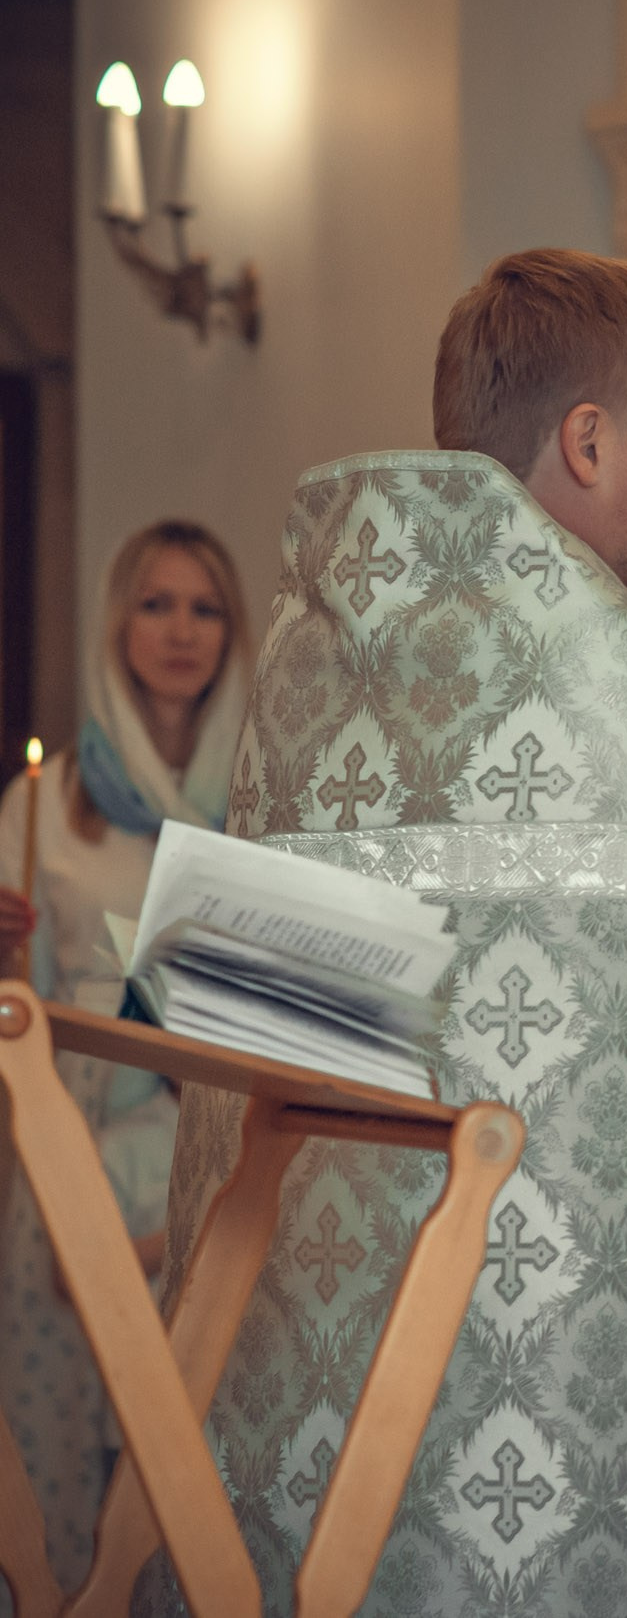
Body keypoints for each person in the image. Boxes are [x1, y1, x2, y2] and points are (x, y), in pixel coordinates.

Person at [143, 249, 627, 1617]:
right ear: (589, 440)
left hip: (319, 1346)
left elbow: (306, 1003)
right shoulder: (601, 665)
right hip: (537, 1363)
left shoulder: (330, 639)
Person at [0, 520, 252, 1593]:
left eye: (204, 607)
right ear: (118, 623)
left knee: (184, 1416)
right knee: (60, 1415)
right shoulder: (47, 805)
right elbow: (23, 1001)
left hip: (208, 1130)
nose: (181, 630)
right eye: (156, 604)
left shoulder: (261, 800)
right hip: (72, 1130)